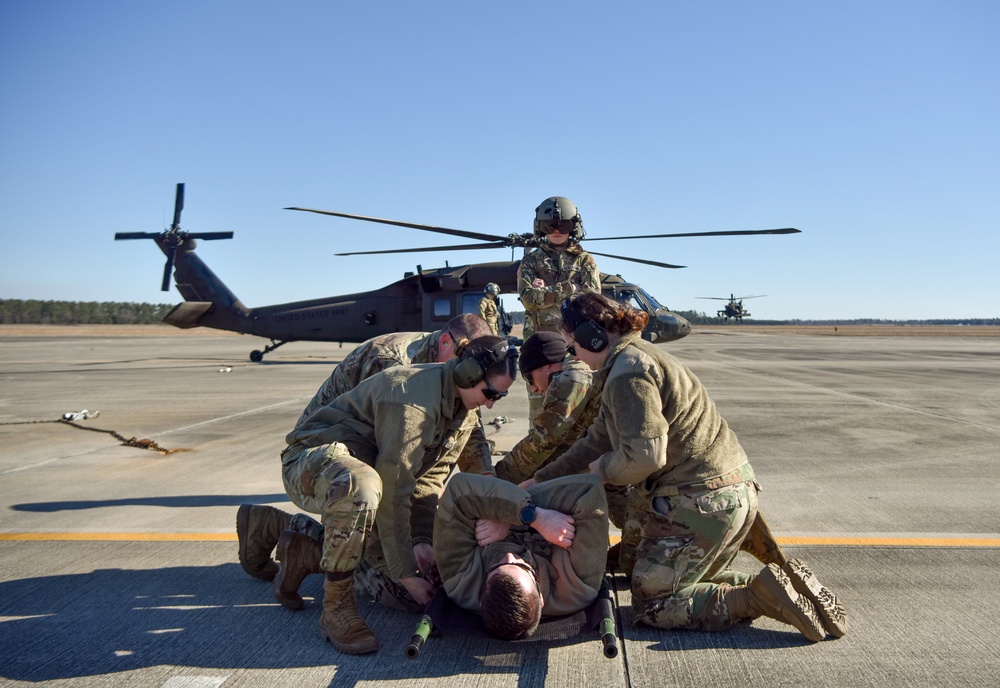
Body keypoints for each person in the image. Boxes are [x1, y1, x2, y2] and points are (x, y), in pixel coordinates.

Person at [527, 292, 847, 642]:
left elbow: (645, 456)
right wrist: (539, 481)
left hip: (701, 502)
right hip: (734, 493)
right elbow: (597, 439)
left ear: (592, 336)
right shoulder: (637, 359)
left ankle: (757, 597)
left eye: (573, 348)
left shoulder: (627, 374)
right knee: (676, 580)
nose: (575, 357)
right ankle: (785, 587)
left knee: (653, 603)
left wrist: (602, 471)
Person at [277, 336, 519, 654]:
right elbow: (394, 491)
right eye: (489, 393)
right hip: (313, 463)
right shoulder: (412, 403)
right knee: (362, 488)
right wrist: (406, 572)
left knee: (408, 597)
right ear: (468, 374)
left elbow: (429, 480)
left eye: (499, 398)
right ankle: (336, 606)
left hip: (370, 480)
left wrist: (420, 541)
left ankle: (301, 548)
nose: (490, 404)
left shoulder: (463, 410)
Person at [236, 313, 495, 583]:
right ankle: (281, 530)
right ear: (445, 342)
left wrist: (487, 481)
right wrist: (402, 559)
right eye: (470, 363)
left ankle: (296, 540)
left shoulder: (451, 372)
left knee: (426, 554)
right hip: (324, 460)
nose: (473, 374)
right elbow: (390, 469)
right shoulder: (394, 366)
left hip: (376, 466)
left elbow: (467, 428)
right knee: (388, 577)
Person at [433, 471, 608, 640]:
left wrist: (511, 516)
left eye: (498, 565)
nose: (510, 556)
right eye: (522, 565)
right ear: (540, 598)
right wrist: (534, 517)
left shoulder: (460, 581)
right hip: (540, 486)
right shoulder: (579, 583)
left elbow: (458, 490)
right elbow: (589, 491)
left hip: (494, 486)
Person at [516, 197, 601, 421]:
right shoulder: (531, 261)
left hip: (575, 347)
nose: (556, 231)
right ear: (540, 228)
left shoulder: (585, 261)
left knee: (579, 413)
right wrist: (571, 287)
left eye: (563, 225)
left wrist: (547, 291)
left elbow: (592, 302)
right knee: (540, 414)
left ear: (573, 227)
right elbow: (528, 298)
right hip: (540, 349)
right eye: (549, 226)